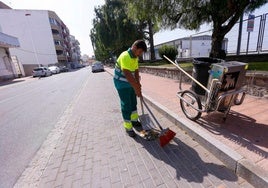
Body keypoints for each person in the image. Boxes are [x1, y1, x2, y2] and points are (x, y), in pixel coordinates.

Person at [113, 40, 147, 137]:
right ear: (135, 48)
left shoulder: (135, 57)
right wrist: (136, 87)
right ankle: (128, 127)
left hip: (130, 82)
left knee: (133, 102)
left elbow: (136, 71)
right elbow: (127, 74)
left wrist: (138, 86)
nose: (140, 55)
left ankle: (134, 121)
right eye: (140, 52)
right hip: (121, 83)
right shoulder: (125, 56)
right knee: (126, 104)